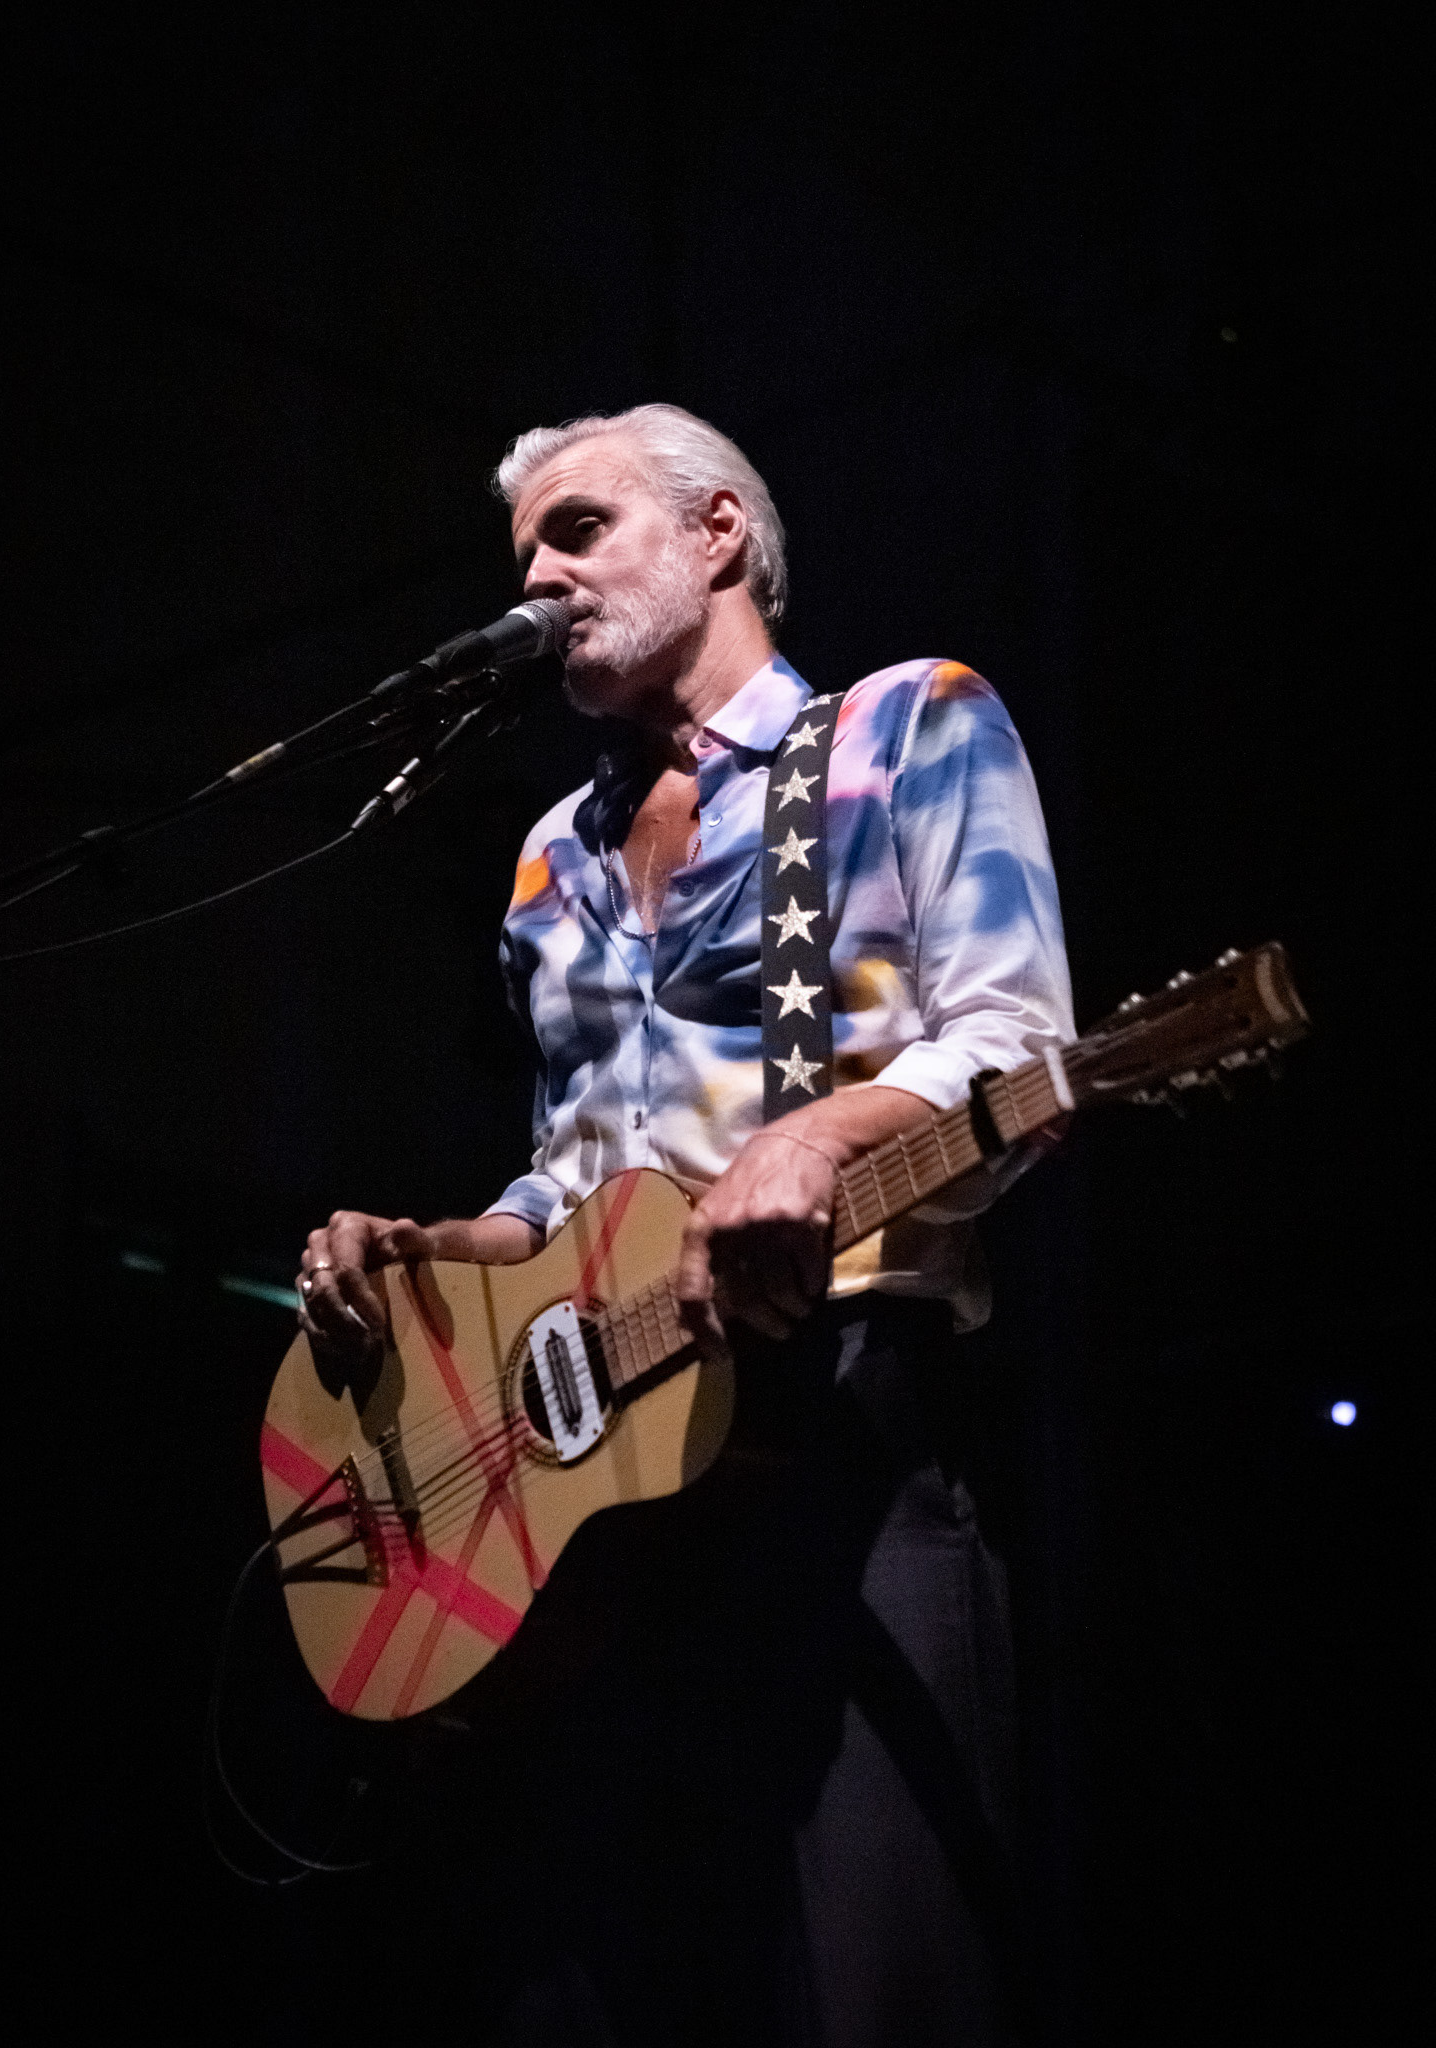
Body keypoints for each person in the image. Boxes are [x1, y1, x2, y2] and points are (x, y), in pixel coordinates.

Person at [293, 404, 1072, 2046]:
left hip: (845, 1423)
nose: (541, 576)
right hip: (612, 1493)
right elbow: (569, 1187)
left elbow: (1019, 1049)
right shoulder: (549, 858)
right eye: (525, 554)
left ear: (719, 532)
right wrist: (433, 1252)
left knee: (882, 1983)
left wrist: (824, 1133)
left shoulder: (908, 726)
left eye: (579, 531)